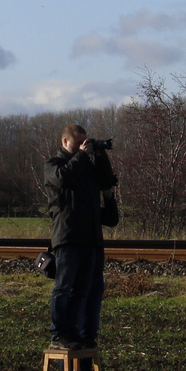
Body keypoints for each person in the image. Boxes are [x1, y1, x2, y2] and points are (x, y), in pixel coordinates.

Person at [43, 124, 117, 350]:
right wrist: (83, 156)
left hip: (90, 239)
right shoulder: (53, 165)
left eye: (86, 142)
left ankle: (78, 335)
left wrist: (100, 153)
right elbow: (64, 178)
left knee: (85, 291)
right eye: (78, 143)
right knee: (64, 288)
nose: (83, 147)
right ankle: (59, 334)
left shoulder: (86, 166)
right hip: (68, 237)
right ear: (65, 142)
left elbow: (106, 180)